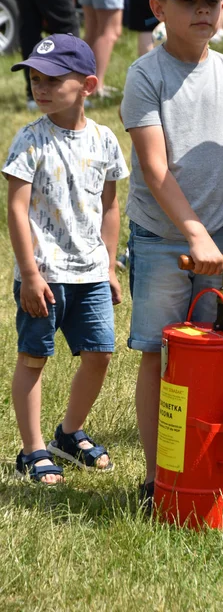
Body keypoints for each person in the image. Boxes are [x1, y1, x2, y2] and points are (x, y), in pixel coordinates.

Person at [120, 0, 223, 509]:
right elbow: (155, 169)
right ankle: (162, 478)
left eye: (212, 1)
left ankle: (204, 466)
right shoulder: (144, 75)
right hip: (162, 240)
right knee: (160, 354)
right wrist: (193, 232)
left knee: (212, 353)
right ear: (158, 9)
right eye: (188, 1)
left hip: (222, 238)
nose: (203, 10)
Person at [2, 34, 129, 485]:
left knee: (99, 353)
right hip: (45, 276)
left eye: (54, 79)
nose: (41, 87)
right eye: (35, 79)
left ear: (89, 85)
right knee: (33, 358)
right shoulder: (30, 140)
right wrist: (31, 274)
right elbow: (16, 208)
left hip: (91, 272)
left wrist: (109, 266)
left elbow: (110, 207)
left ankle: (69, 433)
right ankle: (32, 450)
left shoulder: (106, 140)